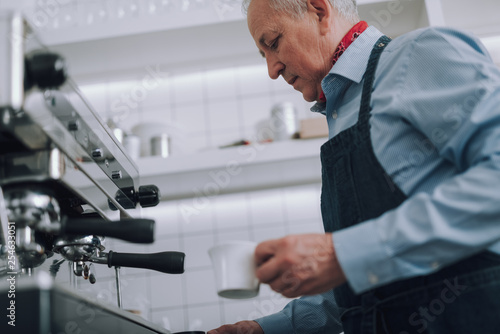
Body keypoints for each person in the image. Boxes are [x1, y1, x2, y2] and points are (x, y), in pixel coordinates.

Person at [208, 0, 500, 333]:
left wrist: (340, 254)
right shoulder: (341, 115)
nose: (272, 69)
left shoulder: (418, 55)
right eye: (264, 56)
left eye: (273, 43)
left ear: (319, 11)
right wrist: (264, 330)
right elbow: (365, 283)